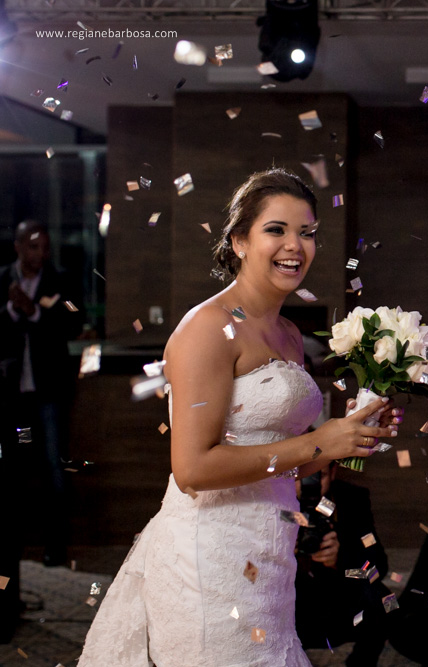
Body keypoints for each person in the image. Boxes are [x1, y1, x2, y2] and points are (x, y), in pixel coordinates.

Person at [77, 168, 401, 666]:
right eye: (277, 229)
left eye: (307, 232)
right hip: (209, 556)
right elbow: (193, 471)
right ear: (239, 241)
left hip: (271, 552)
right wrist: (320, 443)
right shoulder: (208, 327)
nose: (295, 245)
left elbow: (280, 461)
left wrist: (351, 438)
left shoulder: (291, 335)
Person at [0, 220, 84, 571]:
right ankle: (12, 552)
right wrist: (9, 309)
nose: (40, 254)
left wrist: (32, 311)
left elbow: (73, 324)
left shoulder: (59, 281)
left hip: (49, 395)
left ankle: (54, 550)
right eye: (33, 247)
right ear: (18, 246)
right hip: (12, 397)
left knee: (53, 468)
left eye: (45, 248)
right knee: (11, 471)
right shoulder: (2, 278)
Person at [294, 465, 395, 666]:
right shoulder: (272, 501)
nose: (308, 486)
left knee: (386, 601)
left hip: (337, 596)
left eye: (317, 476)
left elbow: (378, 567)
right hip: (291, 601)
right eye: (299, 476)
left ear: (332, 473)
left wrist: (341, 560)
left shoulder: (351, 499)